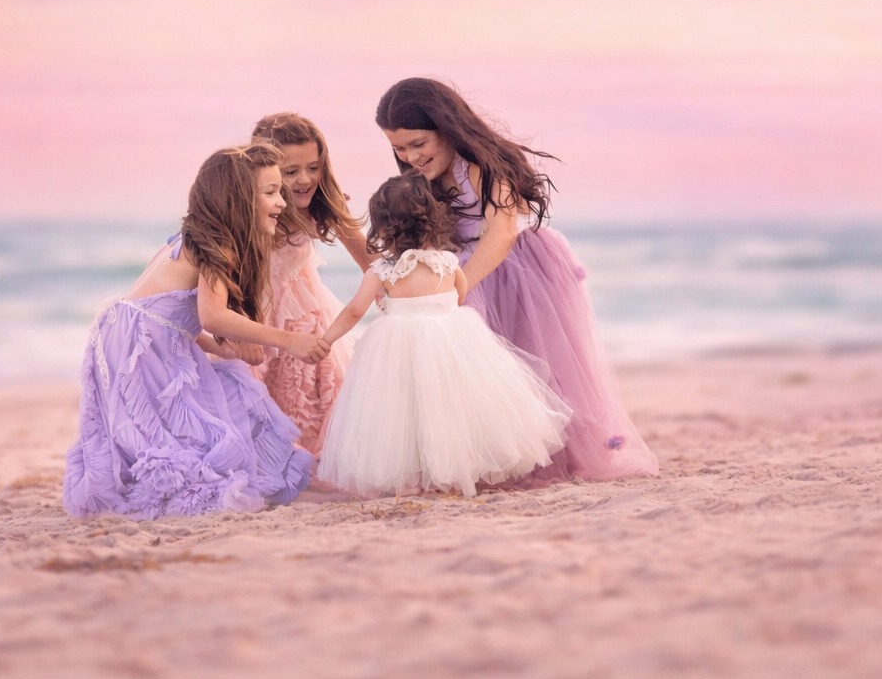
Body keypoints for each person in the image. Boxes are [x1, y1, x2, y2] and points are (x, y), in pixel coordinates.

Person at [375, 77, 658, 483]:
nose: (411, 156)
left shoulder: (481, 169)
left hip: (513, 272)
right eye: (399, 148)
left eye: (420, 144)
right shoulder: (424, 182)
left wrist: (454, 291)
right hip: (462, 269)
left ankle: (539, 456)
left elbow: (502, 233)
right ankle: (473, 456)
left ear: (448, 129)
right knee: (464, 368)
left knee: (529, 363)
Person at [62, 143, 323, 518]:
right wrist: (289, 340)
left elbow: (162, 320)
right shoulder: (217, 245)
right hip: (135, 343)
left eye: (280, 191)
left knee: (223, 390)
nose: (281, 201)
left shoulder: (191, 237)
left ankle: (259, 470)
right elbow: (212, 317)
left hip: (123, 336)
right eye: (270, 192)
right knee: (192, 424)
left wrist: (225, 351)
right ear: (237, 199)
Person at [316, 175, 571, 498]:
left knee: (405, 411)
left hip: (398, 343)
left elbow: (354, 311)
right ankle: (454, 477)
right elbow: (460, 295)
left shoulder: (381, 271)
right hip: (451, 337)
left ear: (383, 229)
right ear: (431, 221)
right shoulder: (447, 262)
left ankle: (413, 479)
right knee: (453, 407)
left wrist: (327, 339)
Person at [250, 112, 371, 453]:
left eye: (313, 167)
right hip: (258, 316)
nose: (305, 179)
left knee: (306, 403)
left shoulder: (321, 206)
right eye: (291, 172)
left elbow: (372, 264)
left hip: (305, 314)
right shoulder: (254, 211)